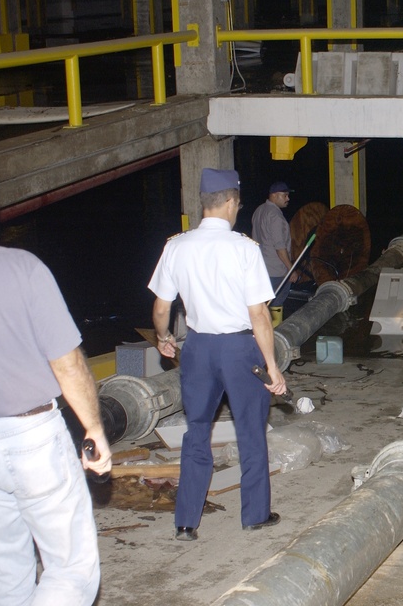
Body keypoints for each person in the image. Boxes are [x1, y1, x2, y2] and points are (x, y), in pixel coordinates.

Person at [0, 159, 112, 605]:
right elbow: (68, 363)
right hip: (30, 436)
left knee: (6, 570)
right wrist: (93, 429)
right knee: (72, 570)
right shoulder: (22, 268)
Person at [148, 168, 287, 542]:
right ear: (230, 202)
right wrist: (272, 367)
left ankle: (186, 521)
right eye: (238, 203)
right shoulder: (244, 248)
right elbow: (259, 314)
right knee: (250, 432)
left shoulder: (176, 246)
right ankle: (255, 515)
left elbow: (162, 307)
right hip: (241, 349)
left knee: (197, 432)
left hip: (197, 348)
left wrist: (163, 338)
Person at [251, 181, 296, 326]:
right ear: (274, 195)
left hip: (261, 268)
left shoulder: (259, 210)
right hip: (277, 270)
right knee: (276, 303)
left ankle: (261, 333)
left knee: (263, 305)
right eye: (285, 195)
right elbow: (280, 248)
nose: (287, 198)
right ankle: (275, 336)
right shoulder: (275, 216)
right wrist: (291, 270)